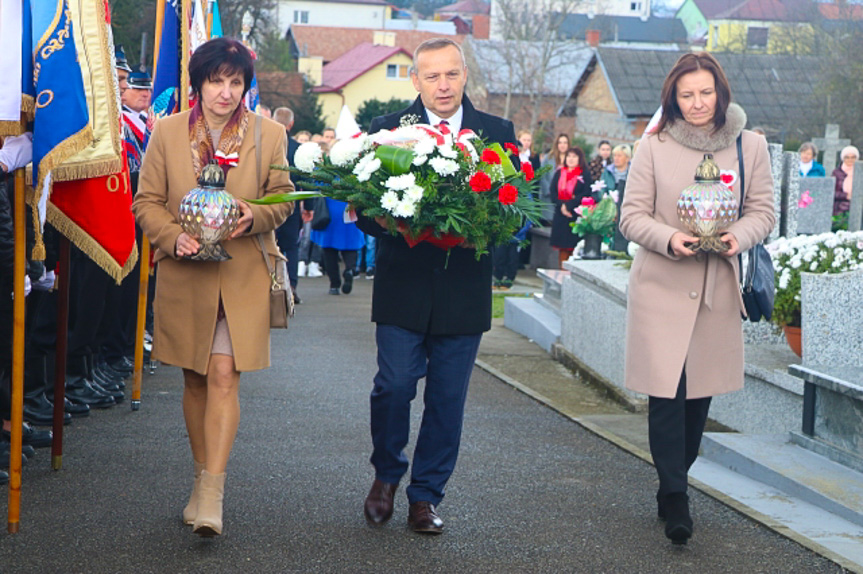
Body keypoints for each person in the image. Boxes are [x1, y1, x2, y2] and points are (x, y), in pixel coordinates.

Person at [132, 37, 293, 537]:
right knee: (195, 380)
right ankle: (201, 482)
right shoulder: (167, 132)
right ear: (198, 83)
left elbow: (284, 198)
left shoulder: (269, 134)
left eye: (235, 82)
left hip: (243, 271)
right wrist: (171, 235)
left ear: (245, 85)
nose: (225, 92)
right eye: (216, 81)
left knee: (224, 373)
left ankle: (212, 496)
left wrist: (255, 213)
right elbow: (146, 202)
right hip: (185, 273)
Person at [356, 37, 518, 535]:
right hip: (403, 285)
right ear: (416, 80)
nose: (443, 85)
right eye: (432, 76)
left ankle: (424, 497)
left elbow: (514, 208)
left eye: (451, 74)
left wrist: (484, 225)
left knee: (447, 401)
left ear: (464, 74)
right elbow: (363, 207)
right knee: (395, 385)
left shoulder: (496, 133)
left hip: (464, 290)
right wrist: (396, 220)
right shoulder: (386, 132)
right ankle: (386, 474)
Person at [620, 52, 774, 545]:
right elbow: (631, 216)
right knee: (666, 394)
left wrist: (737, 237)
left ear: (721, 92)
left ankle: (671, 484)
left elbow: (763, 211)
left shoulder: (750, 146)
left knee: (696, 400)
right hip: (662, 286)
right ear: (673, 97)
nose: (697, 103)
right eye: (687, 95)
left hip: (715, 291)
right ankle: (678, 496)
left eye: (705, 92)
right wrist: (669, 238)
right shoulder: (653, 146)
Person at [272, 106, 303, 304]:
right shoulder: (298, 149)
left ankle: (272, 284)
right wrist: (308, 207)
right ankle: (291, 286)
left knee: (271, 244)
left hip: (270, 202)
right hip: (292, 203)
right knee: (291, 247)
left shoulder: (266, 144)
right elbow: (305, 179)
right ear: (291, 124)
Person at [549, 147, 592, 267]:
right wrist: (562, 206)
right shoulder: (559, 172)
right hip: (560, 214)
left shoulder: (584, 174)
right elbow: (552, 192)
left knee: (573, 248)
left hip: (575, 214)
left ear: (579, 159)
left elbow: (586, 192)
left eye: (574, 157)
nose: (571, 159)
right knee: (562, 249)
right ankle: (561, 272)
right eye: (569, 156)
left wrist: (569, 205)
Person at [601, 144, 632, 252]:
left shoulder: (633, 173)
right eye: (615, 155)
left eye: (620, 156)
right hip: (609, 209)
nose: (616, 158)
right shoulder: (607, 171)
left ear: (627, 158)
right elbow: (602, 189)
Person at [539, 133, 570, 222]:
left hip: (565, 199)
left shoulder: (572, 159)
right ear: (556, 144)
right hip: (549, 198)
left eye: (565, 143)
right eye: (560, 143)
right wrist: (551, 192)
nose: (562, 145)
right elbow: (542, 176)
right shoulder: (548, 158)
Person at [832, 145, 859, 216]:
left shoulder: (860, 172)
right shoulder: (836, 173)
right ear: (843, 158)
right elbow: (832, 192)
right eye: (847, 157)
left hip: (858, 207)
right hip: (840, 208)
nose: (850, 159)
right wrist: (846, 195)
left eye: (853, 157)